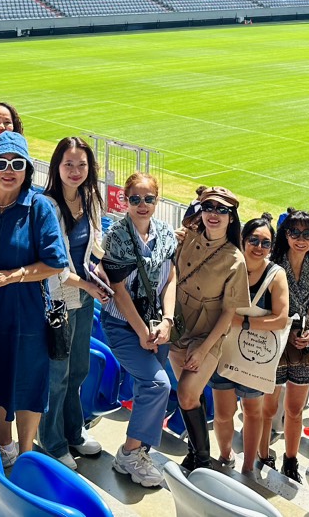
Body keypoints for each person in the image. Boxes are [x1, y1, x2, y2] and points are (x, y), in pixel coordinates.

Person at [0, 131, 69, 466]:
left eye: (18, 163)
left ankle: (26, 452)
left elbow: (56, 262)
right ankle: (5, 445)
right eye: (1, 163)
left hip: (28, 311)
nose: (9, 169)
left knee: (30, 382)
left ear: (28, 169)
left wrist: (11, 275)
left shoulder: (39, 206)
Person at [100, 172, 176, 489]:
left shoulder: (166, 234)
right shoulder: (116, 236)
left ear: (157, 201)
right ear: (125, 200)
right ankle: (130, 453)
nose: (142, 205)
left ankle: (138, 451)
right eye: (135, 199)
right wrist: (143, 330)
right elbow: (118, 291)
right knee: (159, 385)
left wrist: (168, 320)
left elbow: (171, 280)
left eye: (149, 199)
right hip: (123, 324)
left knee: (150, 388)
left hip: (157, 324)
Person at [38, 137, 110, 470]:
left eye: (82, 164)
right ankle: (51, 441)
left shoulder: (91, 198)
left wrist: (99, 276)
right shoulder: (47, 205)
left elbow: (94, 248)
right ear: (57, 167)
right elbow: (56, 263)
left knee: (78, 367)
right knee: (58, 373)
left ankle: (73, 432)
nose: (76, 171)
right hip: (57, 297)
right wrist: (88, 286)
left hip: (83, 292)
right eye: (69, 164)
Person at [171, 185, 248, 472]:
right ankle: (195, 452)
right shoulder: (185, 239)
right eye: (209, 208)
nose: (214, 214)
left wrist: (204, 350)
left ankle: (202, 461)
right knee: (191, 396)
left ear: (231, 217)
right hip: (179, 326)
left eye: (222, 210)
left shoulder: (234, 259)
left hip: (206, 335)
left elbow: (229, 312)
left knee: (187, 394)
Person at [210, 215, 289, 475]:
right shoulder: (231, 264)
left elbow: (280, 320)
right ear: (243, 240)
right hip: (224, 350)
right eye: (253, 240)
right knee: (223, 413)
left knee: (252, 411)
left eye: (265, 243)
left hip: (256, 355)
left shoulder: (276, 275)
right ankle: (224, 454)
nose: (258, 246)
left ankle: (247, 467)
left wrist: (240, 321)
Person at [260, 209, 309, 480]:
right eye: (294, 233)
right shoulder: (272, 263)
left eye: (307, 234)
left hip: (305, 346)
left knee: (295, 410)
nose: (300, 239)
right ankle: (263, 452)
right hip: (274, 344)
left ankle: (291, 460)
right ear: (286, 235)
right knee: (268, 408)